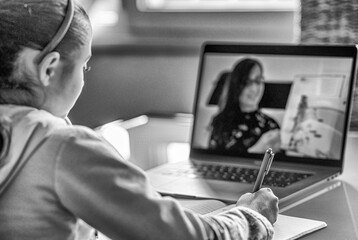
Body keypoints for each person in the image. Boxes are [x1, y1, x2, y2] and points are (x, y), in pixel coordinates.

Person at [0, 1, 279, 239]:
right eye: (84, 65)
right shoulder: (63, 147)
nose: (84, 77)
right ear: (49, 69)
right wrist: (253, 217)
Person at [209, 58, 281, 155]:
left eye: (258, 81)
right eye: (247, 82)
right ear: (236, 86)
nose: (254, 89)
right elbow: (214, 161)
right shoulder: (221, 122)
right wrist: (256, 150)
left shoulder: (271, 125)